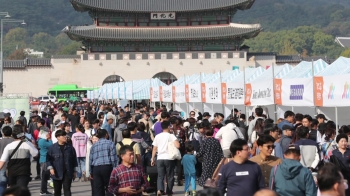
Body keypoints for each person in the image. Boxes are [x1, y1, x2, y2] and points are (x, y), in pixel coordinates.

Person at [151, 121, 180, 195]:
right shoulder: (171, 136)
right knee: (170, 176)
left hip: (160, 158)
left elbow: (154, 148)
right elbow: (178, 146)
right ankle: (169, 191)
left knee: (160, 176)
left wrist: (152, 158)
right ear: (168, 127)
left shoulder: (157, 136)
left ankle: (160, 190)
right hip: (169, 158)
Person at [47, 130, 78, 196]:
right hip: (56, 172)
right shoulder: (52, 148)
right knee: (57, 191)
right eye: (63, 136)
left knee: (67, 190)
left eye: (65, 135)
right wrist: (51, 168)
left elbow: (74, 159)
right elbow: (48, 159)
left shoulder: (70, 147)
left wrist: (75, 171)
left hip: (68, 171)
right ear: (58, 137)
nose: (65, 137)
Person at [89, 129, 118, 196]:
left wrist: (91, 172)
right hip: (107, 167)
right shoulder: (110, 143)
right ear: (106, 135)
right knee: (109, 187)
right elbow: (113, 158)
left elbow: (91, 159)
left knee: (98, 189)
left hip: (96, 168)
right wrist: (115, 169)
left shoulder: (94, 146)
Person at [38, 129, 53, 195]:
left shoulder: (41, 140)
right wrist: (49, 139)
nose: (48, 135)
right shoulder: (42, 141)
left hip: (44, 159)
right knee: (45, 176)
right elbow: (51, 145)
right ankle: (43, 190)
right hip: (45, 160)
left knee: (46, 176)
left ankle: (44, 190)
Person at [0, 126, 14, 195]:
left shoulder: (0, 141)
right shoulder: (14, 141)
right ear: (11, 133)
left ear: (3, 133)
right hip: (13, 166)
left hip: (2, 166)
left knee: (2, 185)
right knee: (13, 185)